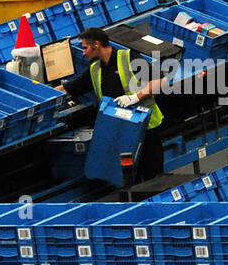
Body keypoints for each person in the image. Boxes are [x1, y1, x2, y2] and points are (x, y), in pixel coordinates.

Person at [61, 27, 169, 182]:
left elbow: (161, 82)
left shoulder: (128, 58)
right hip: (122, 133)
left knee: (154, 177)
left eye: (85, 48)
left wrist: (134, 97)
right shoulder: (95, 69)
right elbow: (70, 87)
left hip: (146, 128)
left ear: (96, 45)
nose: (83, 52)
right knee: (132, 180)